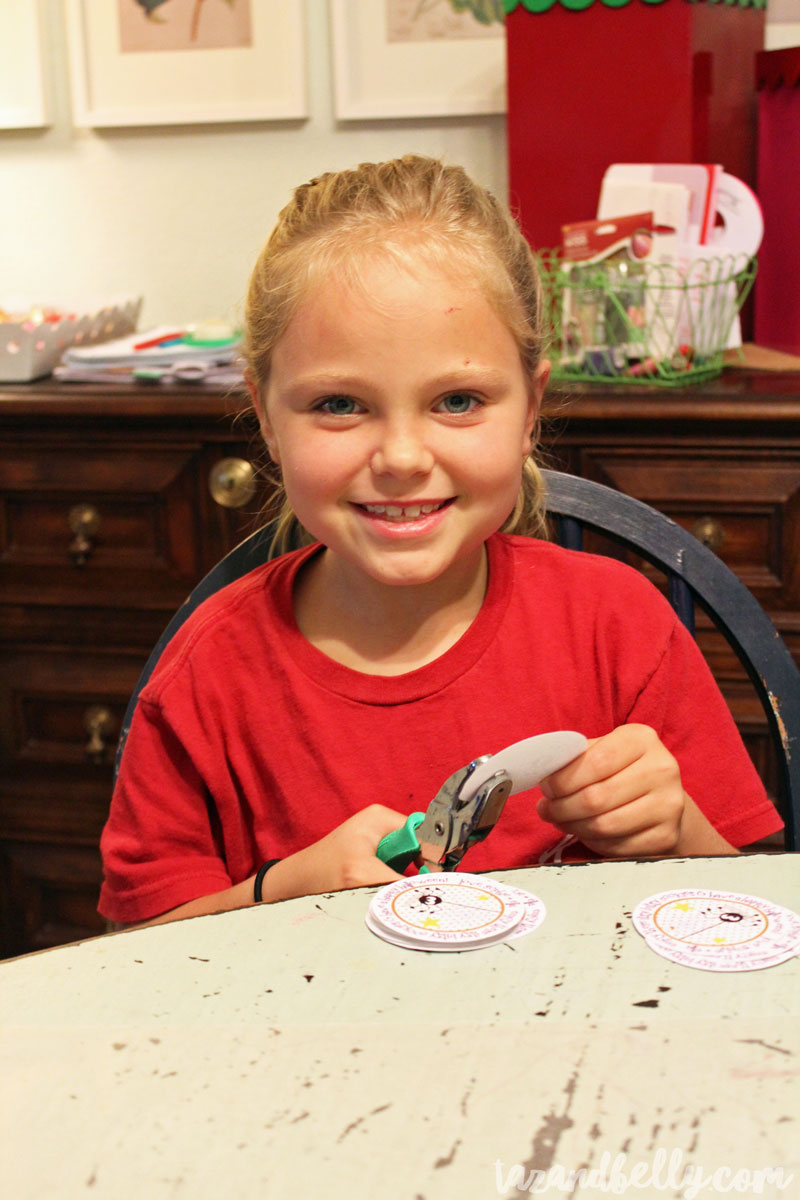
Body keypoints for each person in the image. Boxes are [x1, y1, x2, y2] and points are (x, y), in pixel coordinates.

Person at [99, 155, 782, 928]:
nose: (400, 458)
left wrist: (676, 830)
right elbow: (139, 952)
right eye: (338, 404)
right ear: (265, 415)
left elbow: (744, 923)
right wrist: (275, 896)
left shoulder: (618, 626)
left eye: (458, 401)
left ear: (531, 408)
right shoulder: (208, 677)